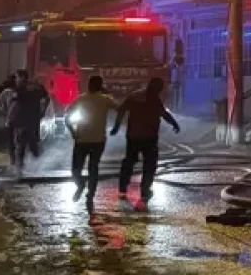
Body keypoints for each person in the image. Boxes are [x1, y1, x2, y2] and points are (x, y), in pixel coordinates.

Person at [112, 77, 179, 203]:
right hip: (149, 137)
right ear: (158, 89)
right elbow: (164, 114)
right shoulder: (154, 99)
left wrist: (116, 127)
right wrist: (174, 124)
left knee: (129, 161)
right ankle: (144, 190)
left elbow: (121, 110)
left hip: (133, 136)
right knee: (149, 164)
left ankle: (122, 188)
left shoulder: (134, 96)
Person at [0, 70, 49, 170]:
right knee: (32, 141)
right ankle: (37, 164)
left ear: (22, 77)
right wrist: (43, 112)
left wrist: (5, 111)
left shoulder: (20, 88)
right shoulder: (37, 86)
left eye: (17, 77)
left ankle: (19, 166)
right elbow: (46, 98)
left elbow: (14, 102)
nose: (16, 80)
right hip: (33, 119)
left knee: (20, 144)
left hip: (20, 121)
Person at [66, 76, 114, 209]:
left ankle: (82, 187)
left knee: (76, 169)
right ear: (100, 86)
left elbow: (67, 116)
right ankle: (89, 193)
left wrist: (73, 132)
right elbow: (119, 108)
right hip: (97, 141)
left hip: (82, 140)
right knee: (93, 168)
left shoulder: (81, 99)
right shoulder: (105, 99)